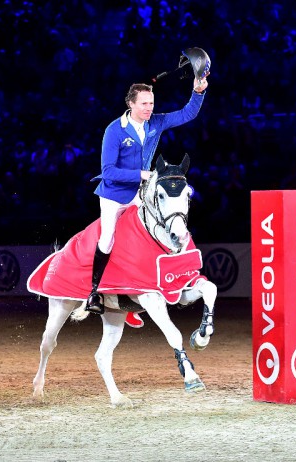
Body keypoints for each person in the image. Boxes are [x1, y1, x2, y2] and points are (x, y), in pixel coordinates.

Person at [86, 75, 209, 328]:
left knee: (153, 234)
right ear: (130, 104)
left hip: (141, 193)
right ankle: (94, 292)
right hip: (114, 195)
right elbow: (108, 171)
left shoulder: (156, 122)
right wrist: (141, 174)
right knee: (108, 239)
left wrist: (198, 92)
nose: (149, 108)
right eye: (143, 103)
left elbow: (188, 114)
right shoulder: (115, 130)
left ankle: (136, 296)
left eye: (151, 103)